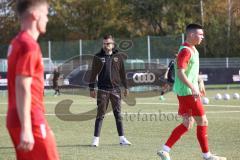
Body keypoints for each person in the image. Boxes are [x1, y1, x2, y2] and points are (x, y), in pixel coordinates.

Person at [157, 24, 226, 160]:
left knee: (187, 124)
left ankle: (165, 150)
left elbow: (191, 71)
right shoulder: (186, 51)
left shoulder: (193, 50)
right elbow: (181, 73)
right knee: (203, 122)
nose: (202, 37)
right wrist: (193, 88)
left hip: (186, 92)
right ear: (192, 35)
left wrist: (200, 82)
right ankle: (207, 155)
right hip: (188, 93)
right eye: (200, 35)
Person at [6, 0, 59, 159]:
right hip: (30, 118)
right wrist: (27, 128)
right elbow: (23, 85)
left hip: (18, 118)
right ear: (35, 15)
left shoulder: (16, 42)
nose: (47, 19)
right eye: (46, 14)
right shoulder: (28, 45)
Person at [89, 34, 131, 147]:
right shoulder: (97, 57)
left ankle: (122, 139)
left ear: (113, 45)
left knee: (118, 114)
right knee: (100, 115)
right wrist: (91, 88)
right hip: (102, 90)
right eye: (104, 43)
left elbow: (122, 73)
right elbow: (93, 73)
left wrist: (126, 87)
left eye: (108, 43)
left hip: (116, 90)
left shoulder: (118, 56)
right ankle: (95, 140)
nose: (105, 45)